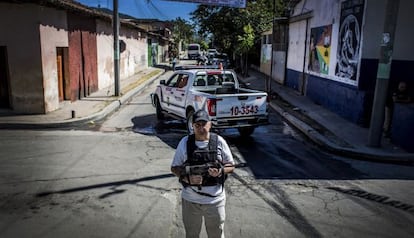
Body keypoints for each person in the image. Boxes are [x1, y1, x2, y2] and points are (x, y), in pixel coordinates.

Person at [171, 109, 235, 238]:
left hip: (215, 201)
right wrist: (188, 179)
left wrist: (220, 171)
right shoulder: (185, 143)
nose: (201, 128)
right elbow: (174, 168)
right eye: (197, 125)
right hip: (190, 200)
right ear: (192, 126)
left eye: (204, 124)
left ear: (210, 124)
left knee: (216, 234)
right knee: (191, 234)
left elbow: (231, 166)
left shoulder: (219, 141)